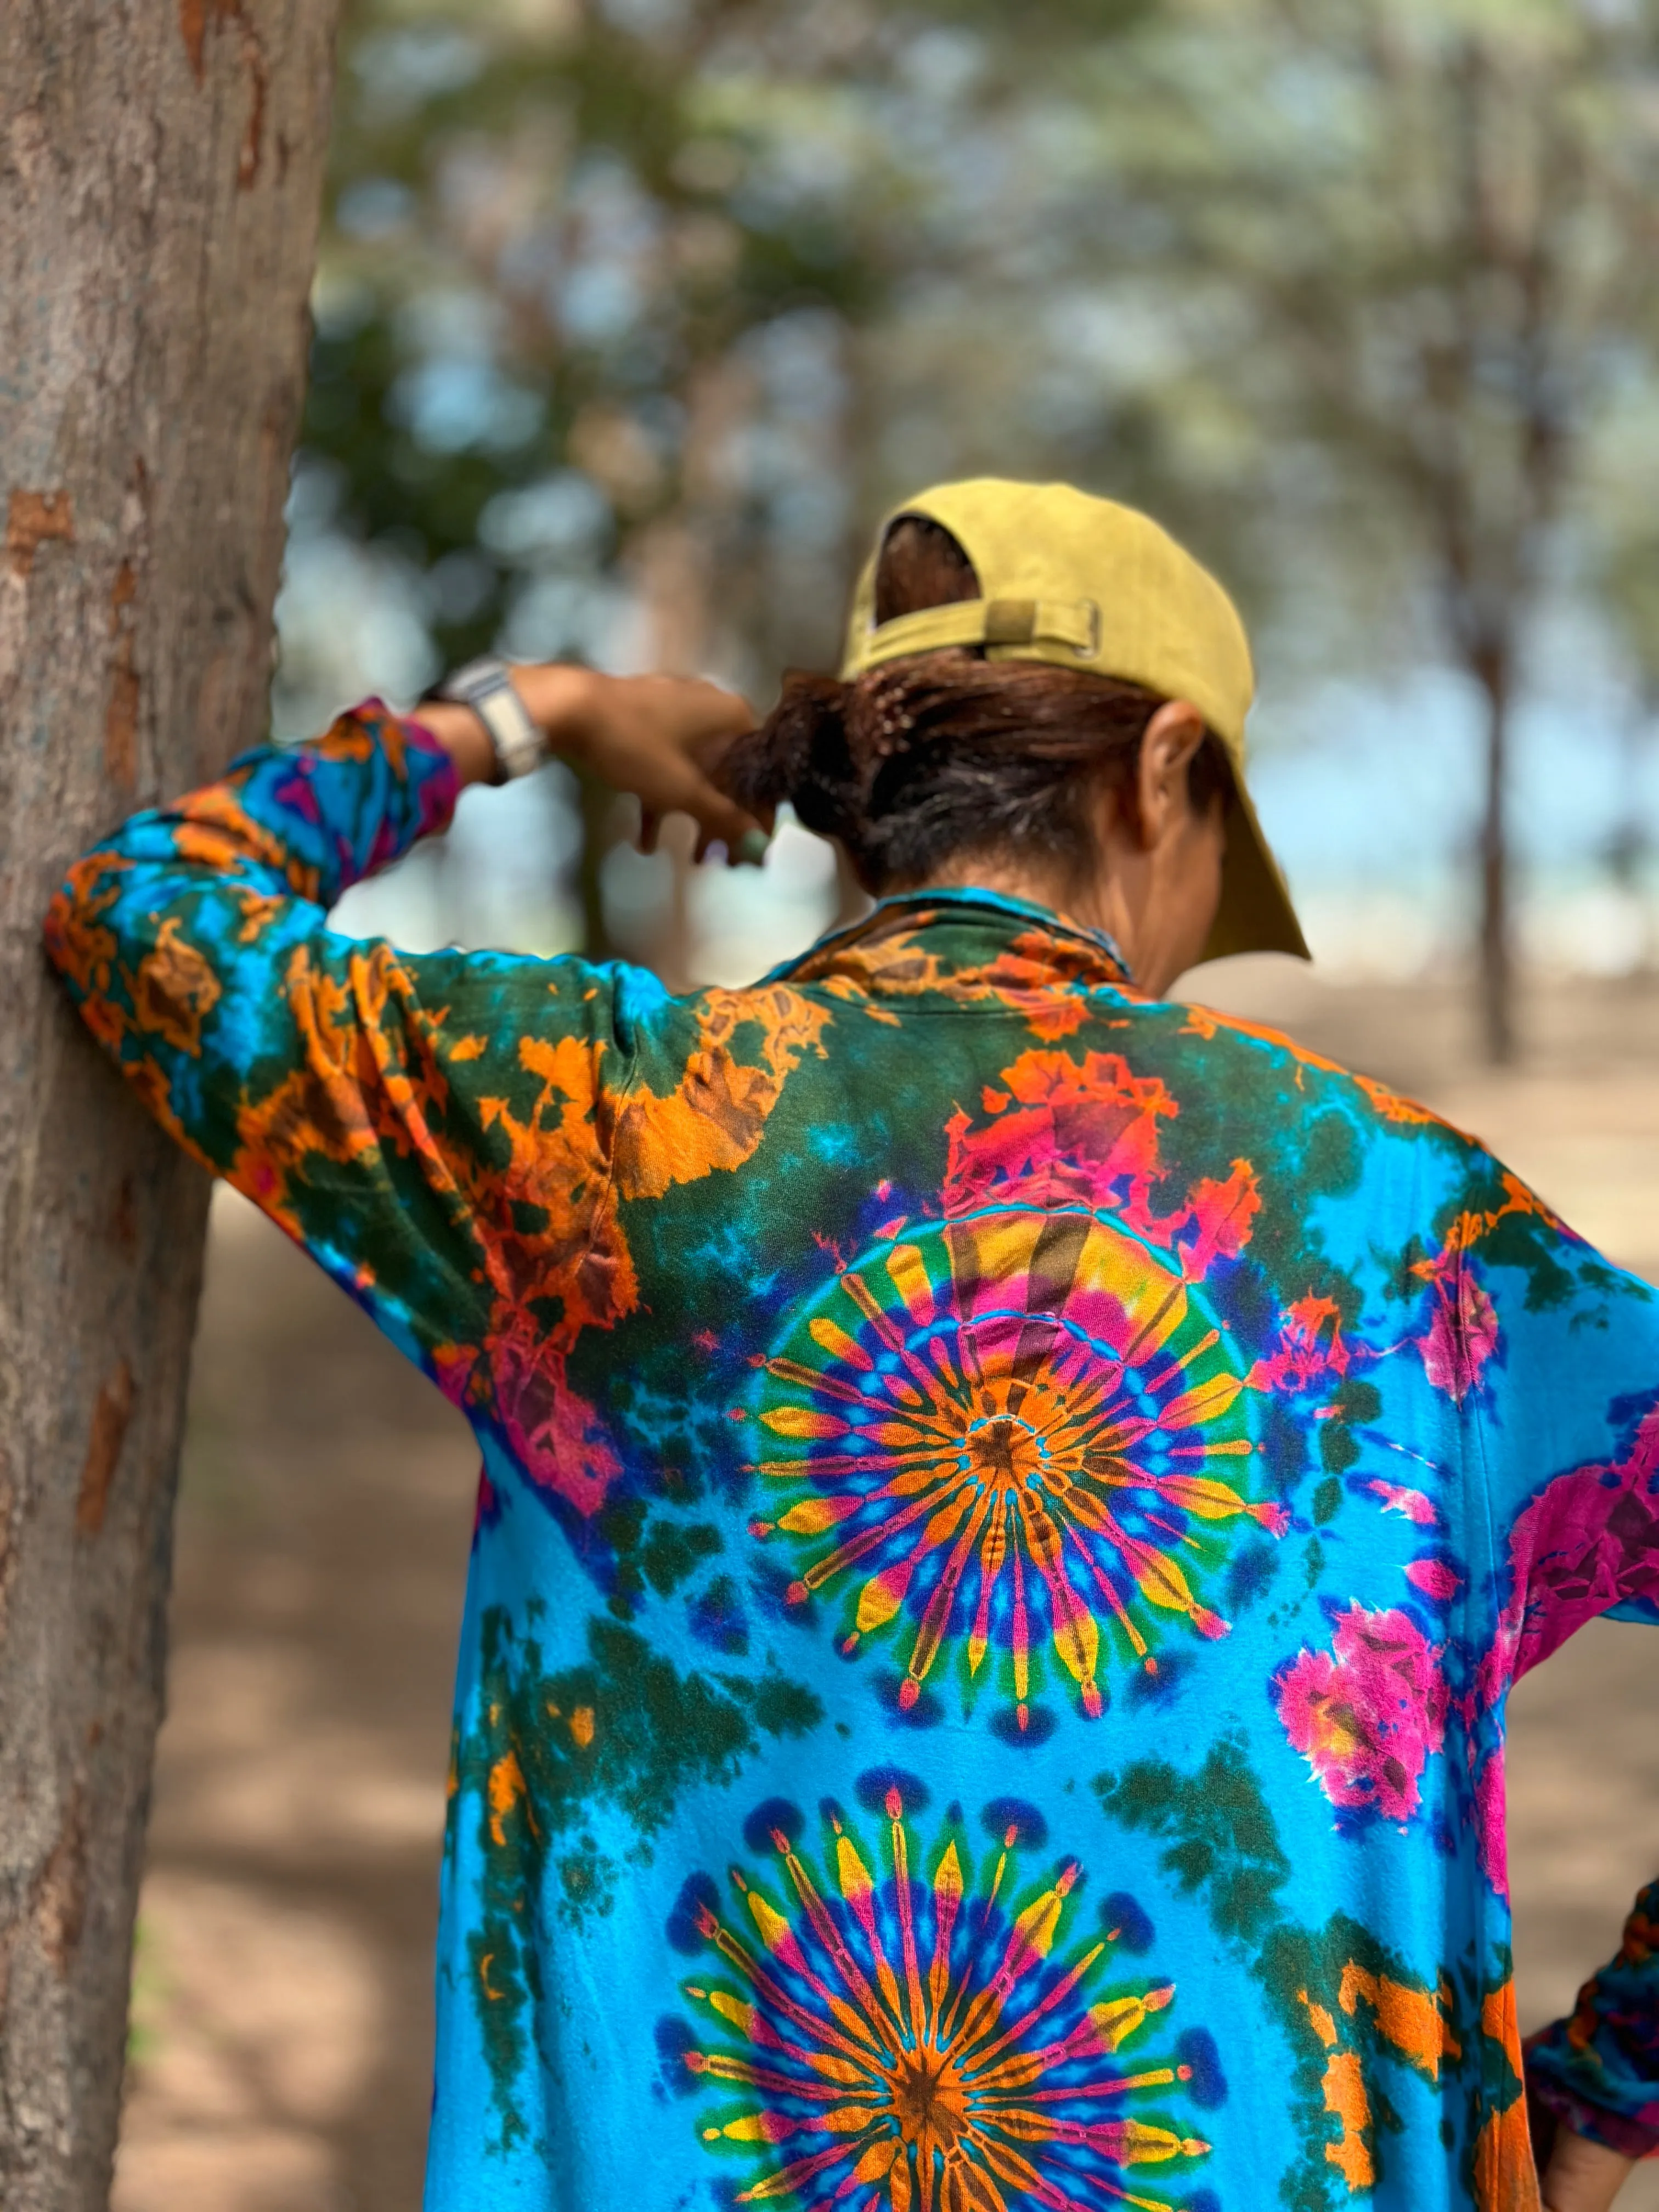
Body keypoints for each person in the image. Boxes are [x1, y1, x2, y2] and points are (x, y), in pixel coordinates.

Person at [44, 478, 1656, 2212]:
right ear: (1166, 769)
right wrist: (1604, 2091)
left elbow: (145, 921)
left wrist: (530, 712)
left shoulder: (620, 1126)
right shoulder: (1400, 1223)